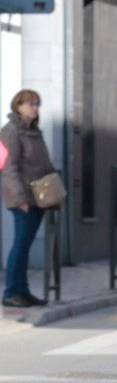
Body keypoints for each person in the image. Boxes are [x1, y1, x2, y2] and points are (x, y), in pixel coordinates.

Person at [2, 89, 55, 308]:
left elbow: (43, 164)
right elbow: (9, 168)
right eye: (31, 104)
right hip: (23, 198)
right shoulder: (10, 131)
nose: (35, 107)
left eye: (37, 103)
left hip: (39, 196)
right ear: (18, 106)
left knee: (26, 245)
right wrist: (19, 199)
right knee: (20, 245)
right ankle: (10, 292)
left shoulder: (34, 131)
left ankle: (23, 291)